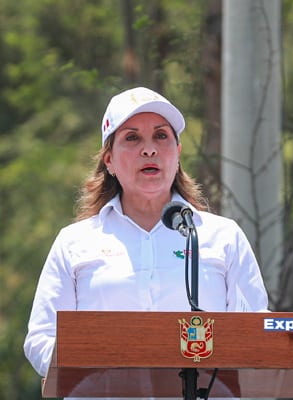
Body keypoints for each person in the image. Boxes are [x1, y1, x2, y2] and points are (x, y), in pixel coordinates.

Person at [23, 87, 269, 399]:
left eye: (161, 136)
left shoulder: (223, 237)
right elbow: (41, 338)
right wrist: (94, 361)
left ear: (177, 154)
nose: (149, 150)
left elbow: (256, 333)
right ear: (109, 161)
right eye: (132, 138)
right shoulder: (74, 242)